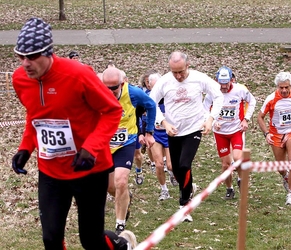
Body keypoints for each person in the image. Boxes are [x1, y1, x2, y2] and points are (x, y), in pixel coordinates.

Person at [11, 17, 135, 249]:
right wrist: (26, 147)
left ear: (49, 53)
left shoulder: (78, 74)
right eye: (20, 56)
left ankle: (121, 245)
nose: (25, 63)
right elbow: (35, 115)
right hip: (51, 170)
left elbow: (112, 110)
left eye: (32, 56)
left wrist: (91, 147)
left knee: (91, 240)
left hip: (88, 169)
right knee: (51, 238)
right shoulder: (20, 79)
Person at [149, 51, 224, 222]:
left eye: (181, 71)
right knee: (175, 169)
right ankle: (189, 187)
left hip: (194, 129)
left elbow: (218, 95)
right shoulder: (165, 81)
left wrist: (210, 119)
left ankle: (184, 205)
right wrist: (164, 123)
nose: (178, 76)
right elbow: (151, 102)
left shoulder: (199, 78)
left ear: (188, 65)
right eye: (174, 72)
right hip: (173, 131)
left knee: (184, 164)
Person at [101, 66, 156, 235]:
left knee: (121, 181)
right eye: (106, 88)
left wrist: (149, 132)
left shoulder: (133, 93)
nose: (110, 92)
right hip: (105, 144)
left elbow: (151, 106)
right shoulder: (96, 92)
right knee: (111, 187)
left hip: (126, 141)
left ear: (122, 83)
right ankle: (126, 197)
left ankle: (120, 224)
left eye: (114, 88)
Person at [203, 66, 256, 199]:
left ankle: (240, 179)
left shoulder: (240, 90)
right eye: (221, 83)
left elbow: (252, 101)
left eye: (226, 83)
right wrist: (213, 122)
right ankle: (229, 188)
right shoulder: (212, 92)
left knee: (238, 158)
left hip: (236, 130)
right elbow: (203, 109)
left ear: (232, 80)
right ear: (216, 81)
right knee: (226, 163)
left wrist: (246, 119)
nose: (224, 86)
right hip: (220, 132)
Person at [257, 71, 291, 206]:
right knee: (281, 167)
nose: (284, 90)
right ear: (277, 87)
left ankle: (290, 194)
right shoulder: (271, 99)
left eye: (286, 87)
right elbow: (259, 117)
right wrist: (266, 133)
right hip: (276, 135)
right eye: (281, 87)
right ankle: (285, 177)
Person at [147, 71, 178, 201]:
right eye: (152, 87)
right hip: (156, 134)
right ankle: (164, 190)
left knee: (171, 165)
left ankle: (173, 174)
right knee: (159, 164)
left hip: (170, 134)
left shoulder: (170, 96)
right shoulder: (148, 98)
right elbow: (143, 116)